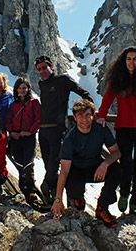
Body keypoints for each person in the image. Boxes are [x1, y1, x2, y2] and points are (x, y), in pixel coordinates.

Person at [97, 46, 136, 215]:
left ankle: (135, 202)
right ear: (124, 61)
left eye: (135, 59)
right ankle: (124, 195)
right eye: (129, 59)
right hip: (123, 129)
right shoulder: (118, 81)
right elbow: (107, 99)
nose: (131, 62)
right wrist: (101, 115)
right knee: (126, 164)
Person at [51, 99, 122, 228]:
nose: (85, 119)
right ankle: (78, 199)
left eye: (88, 115)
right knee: (72, 186)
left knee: (117, 169)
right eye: (80, 115)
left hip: (96, 166)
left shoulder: (100, 129)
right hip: (77, 170)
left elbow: (116, 152)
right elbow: (64, 170)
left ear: (93, 116)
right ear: (75, 118)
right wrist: (58, 199)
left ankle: (102, 207)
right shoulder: (70, 139)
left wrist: (105, 164)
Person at [35, 55, 92, 203]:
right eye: (39, 69)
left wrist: (89, 112)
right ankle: (53, 201)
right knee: (48, 166)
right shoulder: (42, 84)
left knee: (53, 165)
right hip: (43, 131)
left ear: (51, 67)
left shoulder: (63, 80)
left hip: (57, 130)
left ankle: (46, 188)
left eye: (44, 68)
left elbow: (84, 93)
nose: (42, 71)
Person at [5, 77, 41, 205]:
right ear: (16, 90)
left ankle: (30, 190)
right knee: (20, 162)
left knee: (28, 163)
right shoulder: (14, 105)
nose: (22, 90)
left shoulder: (34, 102)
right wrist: (12, 131)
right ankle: (24, 189)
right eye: (20, 88)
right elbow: (8, 120)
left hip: (29, 137)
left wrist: (30, 131)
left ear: (28, 89)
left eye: (24, 88)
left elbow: (38, 119)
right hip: (16, 137)